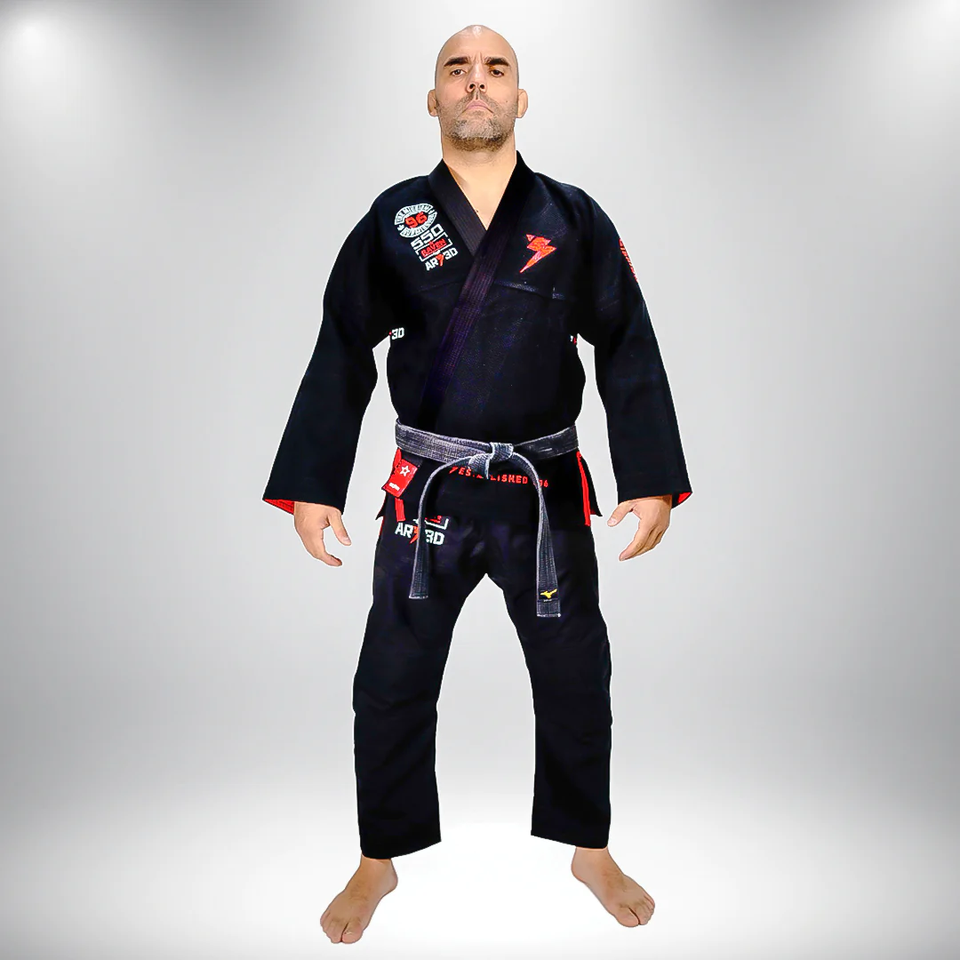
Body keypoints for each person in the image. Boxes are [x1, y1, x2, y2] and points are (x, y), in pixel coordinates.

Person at [262, 23, 692, 944]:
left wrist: (652, 476)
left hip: (543, 492)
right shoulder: (396, 219)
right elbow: (341, 349)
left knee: (576, 673)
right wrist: (312, 484)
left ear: (520, 97)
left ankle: (589, 847)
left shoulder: (572, 218)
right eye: (456, 69)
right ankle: (379, 858)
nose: (476, 82)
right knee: (391, 676)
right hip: (428, 491)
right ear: (433, 98)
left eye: (496, 68)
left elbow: (627, 342)